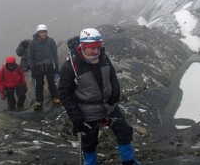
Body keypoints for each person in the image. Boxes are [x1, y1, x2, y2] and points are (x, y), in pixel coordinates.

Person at [58, 28, 141, 165]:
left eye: (98, 47)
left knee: (124, 132)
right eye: (92, 48)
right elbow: (64, 94)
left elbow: (112, 75)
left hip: (109, 106)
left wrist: (115, 93)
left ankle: (128, 161)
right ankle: (90, 163)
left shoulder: (103, 57)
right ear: (83, 46)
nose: (96, 51)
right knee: (89, 142)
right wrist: (76, 116)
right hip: (87, 111)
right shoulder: (70, 66)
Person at [28, 24, 60, 110]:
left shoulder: (50, 41)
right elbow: (30, 57)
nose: (43, 33)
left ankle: (55, 98)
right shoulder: (33, 43)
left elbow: (55, 55)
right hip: (38, 67)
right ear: (38, 33)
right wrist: (33, 68)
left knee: (51, 82)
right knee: (39, 84)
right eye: (42, 32)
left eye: (45, 32)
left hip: (49, 65)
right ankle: (39, 101)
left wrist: (56, 67)